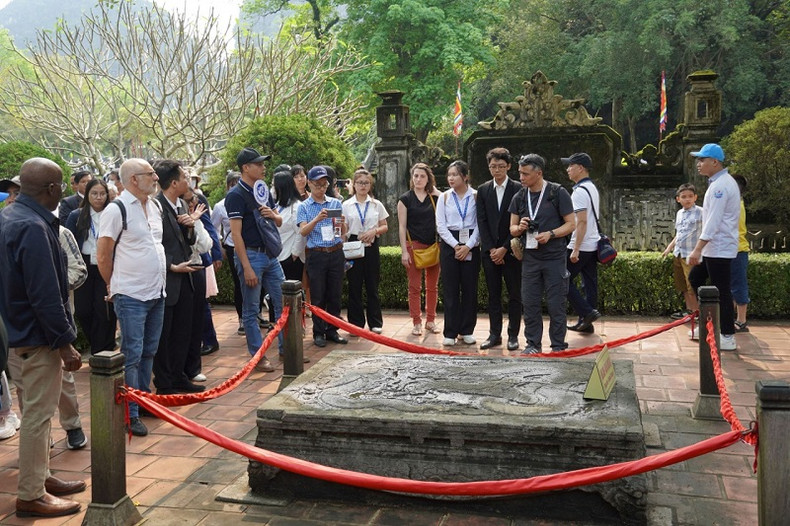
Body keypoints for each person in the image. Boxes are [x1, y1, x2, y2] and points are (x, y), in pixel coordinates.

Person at [0, 157, 85, 518]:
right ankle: (31, 494)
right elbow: (45, 294)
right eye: (61, 185)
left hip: (14, 334)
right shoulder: (33, 226)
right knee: (36, 415)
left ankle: (42, 476)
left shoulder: (9, 217)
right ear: (51, 189)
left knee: (35, 409)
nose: (62, 191)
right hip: (35, 337)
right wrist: (65, 343)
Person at [97, 158, 167, 437]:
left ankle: (144, 399)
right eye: (150, 174)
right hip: (131, 294)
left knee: (149, 351)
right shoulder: (116, 210)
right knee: (132, 355)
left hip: (156, 291)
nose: (155, 178)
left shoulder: (155, 205)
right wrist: (114, 286)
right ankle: (130, 412)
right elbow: (103, 255)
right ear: (133, 179)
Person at [509, 154, 575, 354]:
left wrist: (551, 234)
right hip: (530, 258)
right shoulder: (520, 196)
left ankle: (558, 345)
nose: (521, 177)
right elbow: (511, 229)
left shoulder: (557, 192)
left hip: (554, 257)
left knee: (556, 303)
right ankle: (532, 344)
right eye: (520, 173)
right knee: (529, 302)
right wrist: (519, 228)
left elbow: (571, 224)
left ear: (539, 173)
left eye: (525, 174)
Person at [226, 147, 283, 370]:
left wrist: (273, 215)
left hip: (270, 254)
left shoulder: (263, 191)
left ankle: (286, 350)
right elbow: (236, 234)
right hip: (250, 254)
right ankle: (258, 356)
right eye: (258, 164)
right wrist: (247, 266)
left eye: (262, 163)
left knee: (283, 302)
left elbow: (278, 222)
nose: (263, 167)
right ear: (245, 168)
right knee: (251, 309)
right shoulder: (235, 195)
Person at [152, 159, 203, 395]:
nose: (188, 181)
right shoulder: (155, 207)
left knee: (184, 330)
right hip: (167, 279)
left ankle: (179, 376)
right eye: (184, 177)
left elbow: (189, 241)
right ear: (173, 183)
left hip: (186, 279)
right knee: (165, 334)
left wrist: (191, 226)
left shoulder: (181, 205)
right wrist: (172, 267)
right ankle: (164, 383)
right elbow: (153, 245)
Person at [687, 143, 740, 351]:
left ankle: (726, 334)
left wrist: (698, 248)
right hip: (715, 247)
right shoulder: (718, 183)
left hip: (719, 247)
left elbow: (713, 221)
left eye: (702, 160)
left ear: (715, 162)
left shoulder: (720, 186)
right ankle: (709, 326)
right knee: (696, 279)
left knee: (722, 291)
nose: (699, 164)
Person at [297, 165, 349, 348]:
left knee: (335, 294)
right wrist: (317, 219)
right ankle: (318, 332)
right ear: (309, 184)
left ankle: (332, 330)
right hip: (317, 254)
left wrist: (342, 225)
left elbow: (342, 231)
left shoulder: (335, 203)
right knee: (318, 295)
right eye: (318, 184)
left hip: (335, 252)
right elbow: (303, 231)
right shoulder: (303, 207)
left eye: (324, 184)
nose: (321, 188)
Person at [476, 147, 522, 351]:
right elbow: (482, 221)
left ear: (509, 166)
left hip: (511, 251)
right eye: (493, 166)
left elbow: (520, 221)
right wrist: (492, 249)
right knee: (493, 295)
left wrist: (503, 248)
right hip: (489, 253)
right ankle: (494, 334)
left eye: (501, 166)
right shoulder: (484, 189)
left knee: (514, 294)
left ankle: (513, 335)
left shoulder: (519, 189)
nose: (497, 170)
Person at [65, 178, 118, 353]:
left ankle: (103, 349)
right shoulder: (77, 215)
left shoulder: (112, 213)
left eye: (102, 194)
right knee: (83, 310)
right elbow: (69, 242)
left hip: (106, 263)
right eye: (94, 193)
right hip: (86, 264)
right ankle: (97, 344)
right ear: (87, 195)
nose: (98, 197)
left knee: (105, 310)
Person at [436, 160, 480, 346]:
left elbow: (480, 224)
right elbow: (440, 225)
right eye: (449, 175)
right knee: (451, 289)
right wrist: (456, 246)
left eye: (455, 174)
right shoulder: (444, 197)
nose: (451, 178)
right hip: (449, 244)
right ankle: (450, 331)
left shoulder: (477, 196)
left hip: (471, 242)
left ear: (465, 176)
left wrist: (468, 246)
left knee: (470, 289)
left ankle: (467, 330)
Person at [398, 163, 442, 336]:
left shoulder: (435, 197)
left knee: (433, 286)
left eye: (422, 176)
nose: (418, 179)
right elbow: (401, 227)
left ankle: (430, 320)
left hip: (433, 245)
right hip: (413, 245)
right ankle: (416, 321)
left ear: (428, 178)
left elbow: (449, 199)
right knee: (414, 287)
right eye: (415, 176)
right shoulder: (405, 199)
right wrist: (404, 250)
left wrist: (436, 191)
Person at [342, 168, 389, 333]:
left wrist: (373, 231)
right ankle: (355, 324)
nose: (363, 186)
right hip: (353, 244)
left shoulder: (377, 204)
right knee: (354, 285)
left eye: (366, 182)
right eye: (360, 182)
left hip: (371, 245)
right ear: (354, 184)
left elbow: (385, 226)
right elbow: (343, 229)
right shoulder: (346, 205)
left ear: (370, 185)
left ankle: (375, 322)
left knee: (372, 285)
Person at [563, 152, 602, 333]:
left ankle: (586, 313)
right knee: (589, 283)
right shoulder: (591, 187)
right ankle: (586, 323)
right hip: (593, 243)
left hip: (582, 244)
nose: (568, 169)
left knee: (561, 279)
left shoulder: (579, 191)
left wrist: (575, 248)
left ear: (580, 168)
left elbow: (582, 221)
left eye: (570, 166)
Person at [181, 186, 215, 382]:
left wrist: (194, 222)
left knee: (196, 320)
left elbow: (205, 245)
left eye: (194, 200)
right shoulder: (171, 216)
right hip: (179, 271)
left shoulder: (196, 220)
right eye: (189, 202)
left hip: (197, 268)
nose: (193, 205)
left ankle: (193, 368)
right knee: (181, 323)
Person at [661, 183, 702, 319]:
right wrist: (669, 248)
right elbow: (679, 233)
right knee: (683, 285)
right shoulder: (679, 213)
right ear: (678, 199)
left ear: (695, 197)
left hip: (691, 255)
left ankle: (697, 313)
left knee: (692, 286)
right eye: (684, 197)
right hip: (678, 253)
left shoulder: (701, 212)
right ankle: (689, 311)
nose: (687, 199)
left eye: (690, 196)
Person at [211, 171, 244, 334]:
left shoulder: (249, 200)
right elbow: (213, 228)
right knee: (239, 282)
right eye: (233, 184)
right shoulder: (220, 206)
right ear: (227, 186)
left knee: (256, 281)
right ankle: (242, 318)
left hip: (250, 246)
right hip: (232, 247)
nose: (236, 187)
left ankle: (257, 314)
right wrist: (220, 246)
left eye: (239, 184)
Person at [273, 170, 306, 283]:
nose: (272, 189)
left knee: (291, 294)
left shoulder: (297, 206)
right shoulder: (276, 206)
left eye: (274, 186)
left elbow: (301, 232)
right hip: (278, 255)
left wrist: (294, 254)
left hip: (291, 257)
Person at [731, 175, 750, 332]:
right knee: (729, 286)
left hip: (738, 250)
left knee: (738, 286)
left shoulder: (736, 204)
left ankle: (741, 320)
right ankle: (730, 317)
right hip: (730, 250)